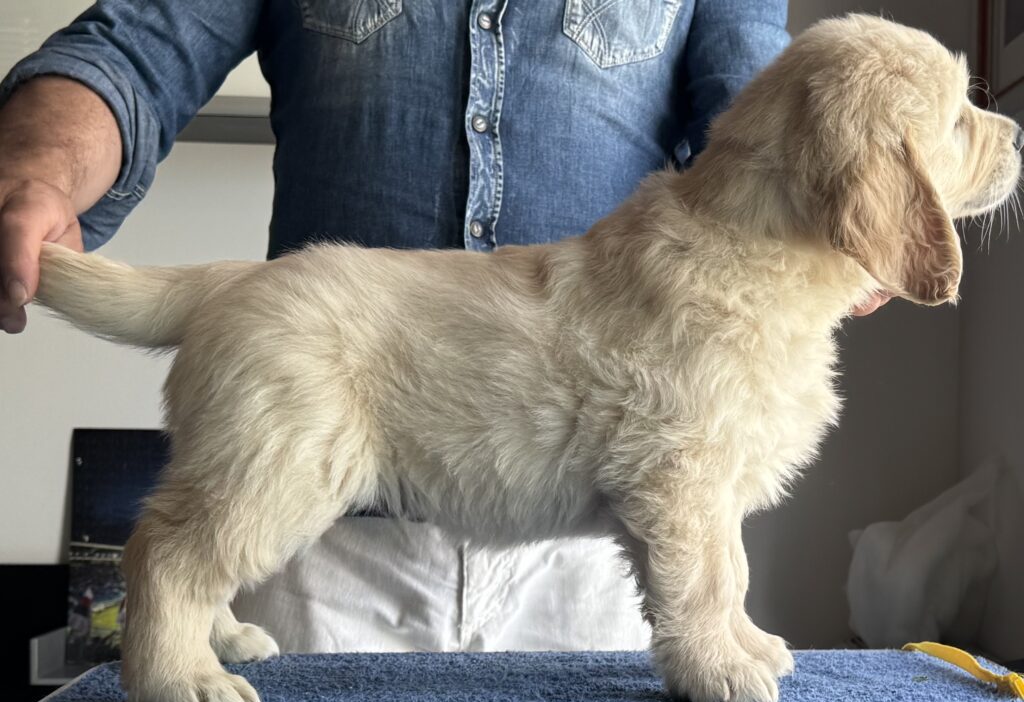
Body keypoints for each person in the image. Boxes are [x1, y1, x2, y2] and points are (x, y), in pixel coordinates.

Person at [0, 1, 791, 653]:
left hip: (596, 555)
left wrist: (865, 212)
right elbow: (137, 47)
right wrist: (34, 171)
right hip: (325, 546)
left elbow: (770, 127)